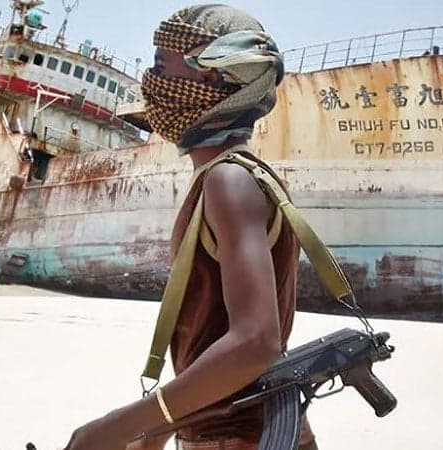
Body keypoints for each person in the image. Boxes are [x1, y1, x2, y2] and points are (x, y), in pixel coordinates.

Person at [63, 5, 317, 450]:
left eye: (161, 66)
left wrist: (116, 426)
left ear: (211, 76)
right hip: (239, 430)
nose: (152, 82)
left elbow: (256, 342)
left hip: (238, 438)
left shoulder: (229, 181)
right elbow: (216, 336)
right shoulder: (238, 177)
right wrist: (156, 432)